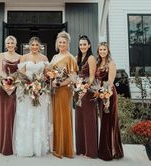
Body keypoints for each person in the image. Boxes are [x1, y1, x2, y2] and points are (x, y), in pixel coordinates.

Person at [14, 36, 50, 157]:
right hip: (27, 90)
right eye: (32, 45)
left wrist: (40, 84)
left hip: (40, 91)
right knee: (27, 116)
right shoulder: (24, 57)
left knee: (38, 116)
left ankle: (38, 147)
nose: (34, 47)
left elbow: (46, 75)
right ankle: (26, 146)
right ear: (29, 46)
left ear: (40, 46)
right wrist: (29, 85)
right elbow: (21, 74)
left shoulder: (44, 58)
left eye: (36, 45)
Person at [50, 31, 78, 159]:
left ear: (68, 44)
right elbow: (50, 72)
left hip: (64, 91)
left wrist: (60, 84)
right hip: (54, 91)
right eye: (60, 42)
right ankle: (56, 146)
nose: (62, 44)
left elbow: (73, 77)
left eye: (64, 42)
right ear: (57, 43)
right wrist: (52, 80)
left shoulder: (70, 57)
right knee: (56, 116)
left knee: (63, 116)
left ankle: (64, 148)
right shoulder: (55, 57)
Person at [0, 35, 20, 155]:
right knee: (3, 116)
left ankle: (12, 144)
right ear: (5, 44)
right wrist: (5, 85)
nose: (10, 45)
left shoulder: (20, 57)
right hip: (3, 89)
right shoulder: (2, 55)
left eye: (12, 43)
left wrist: (12, 85)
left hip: (15, 89)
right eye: (8, 43)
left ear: (15, 44)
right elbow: (0, 71)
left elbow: (20, 73)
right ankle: (1, 144)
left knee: (12, 115)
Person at [96, 42, 124, 161]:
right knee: (104, 121)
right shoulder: (98, 63)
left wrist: (106, 97)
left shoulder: (111, 63)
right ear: (98, 51)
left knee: (110, 120)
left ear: (108, 51)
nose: (102, 51)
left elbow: (110, 82)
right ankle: (104, 149)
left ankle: (112, 150)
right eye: (100, 49)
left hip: (109, 94)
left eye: (104, 49)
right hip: (101, 94)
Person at [75, 35, 98, 158]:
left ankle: (91, 150)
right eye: (80, 44)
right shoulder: (77, 57)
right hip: (78, 91)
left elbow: (92, 76)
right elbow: (73, 73)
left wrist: (85, 87)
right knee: (79, 119)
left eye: (85, 44)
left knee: (88, 120)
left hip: (87, 92)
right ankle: (81, 149)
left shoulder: (91, 58)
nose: (82, 46)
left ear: (89, 45)